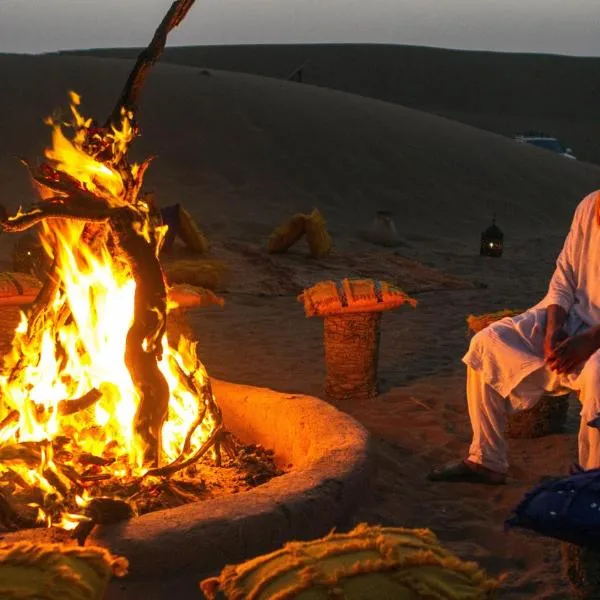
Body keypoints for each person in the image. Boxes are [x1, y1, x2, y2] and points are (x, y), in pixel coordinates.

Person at [429, 189, 600, 484]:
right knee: (487, 343)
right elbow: (564, 278)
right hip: (573, 321)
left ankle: (590, 484)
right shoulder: (589, 205)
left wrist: (589, 342)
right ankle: (487, 459)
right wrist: (552, 329)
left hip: (594, 341)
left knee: (598, 372)